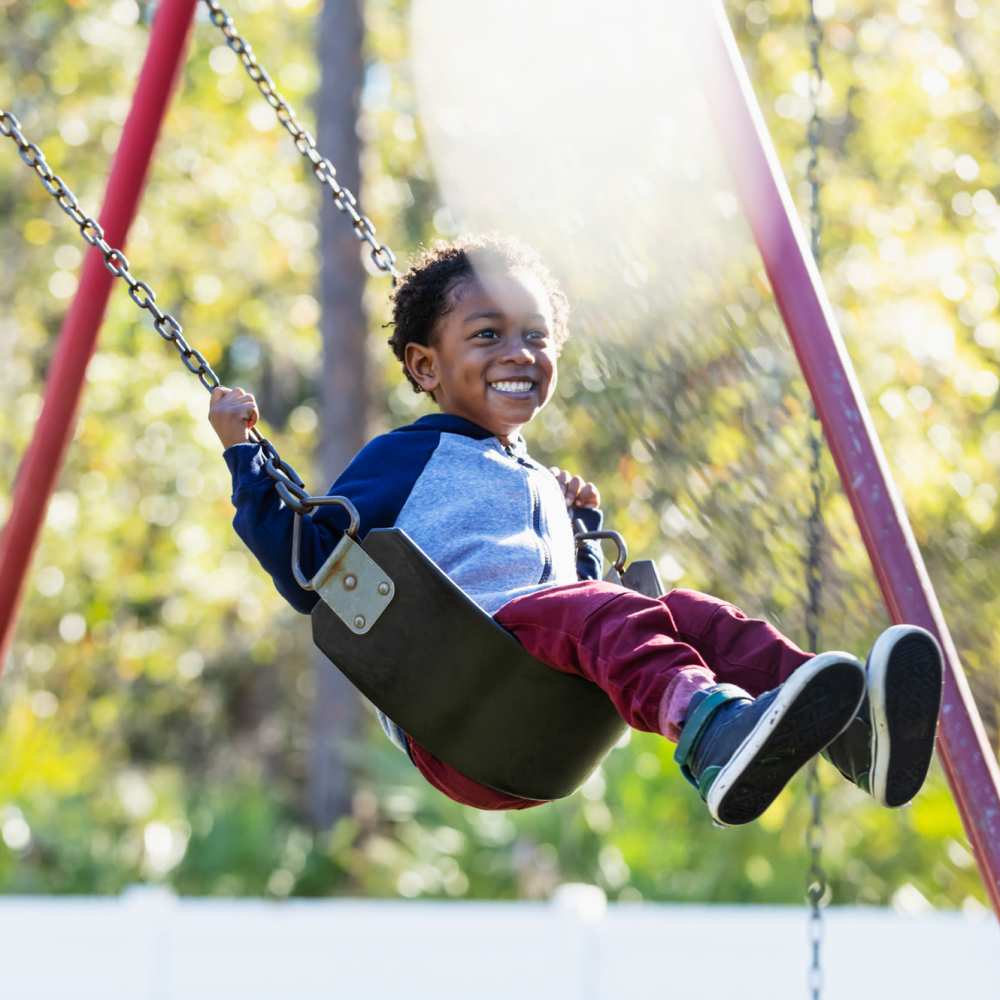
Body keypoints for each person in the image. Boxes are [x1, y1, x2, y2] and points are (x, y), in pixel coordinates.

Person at [208, 235, 943, 826]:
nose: (519, 353)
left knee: (684, 614)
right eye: (488, 334)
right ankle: (713, 733)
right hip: (459, 699)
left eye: (536, 335)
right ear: (425, 366)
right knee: (596, 613)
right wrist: (245, 455)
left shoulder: (537, 479)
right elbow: (308, 563)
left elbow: (578, 605)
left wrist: (578, 524)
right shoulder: (408, 454)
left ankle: (847, 730)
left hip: (544, 716)